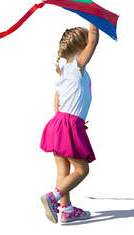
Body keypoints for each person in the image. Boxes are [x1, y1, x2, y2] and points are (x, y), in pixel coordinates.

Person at [39, 23, 99, 224]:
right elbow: (93, 39)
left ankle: (66, 210)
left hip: (59, 123)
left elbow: (57, 98)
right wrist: (94, 21)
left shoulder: (64, 70)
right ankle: (53, 198)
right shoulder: (78, 66)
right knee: (82, 170)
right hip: (67, 124)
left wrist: (68, 120)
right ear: (82, 46)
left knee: (63, 171)